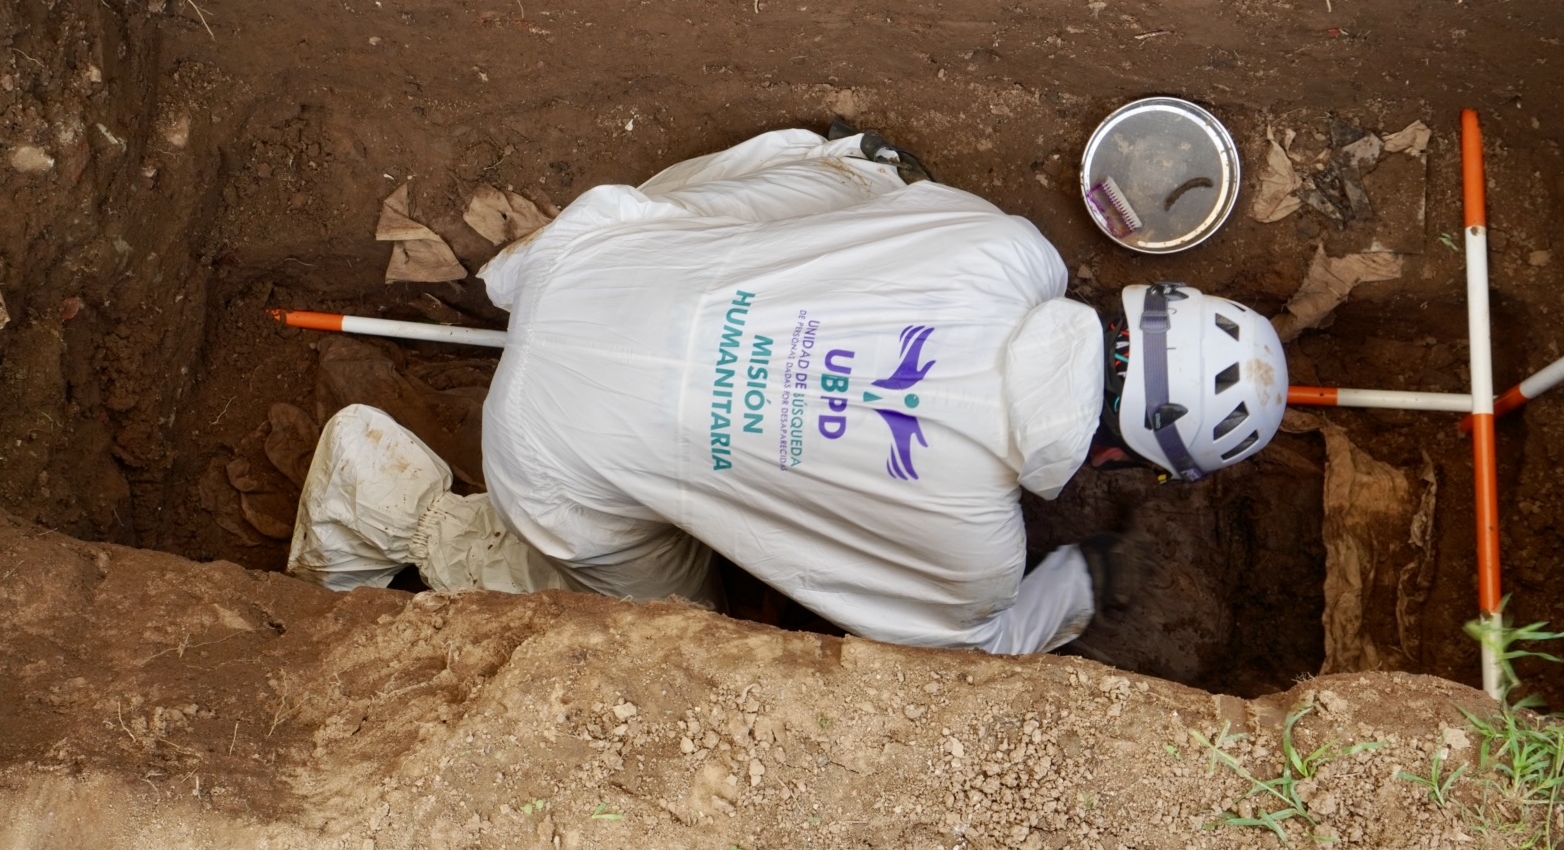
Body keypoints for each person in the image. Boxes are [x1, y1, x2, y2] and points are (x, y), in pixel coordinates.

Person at [463, 125, 1289, 655]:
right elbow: (969, 645)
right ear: (1114, 455)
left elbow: (893, 214)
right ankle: (448, 542)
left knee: (859, 187)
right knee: (686, 644)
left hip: (592, 258)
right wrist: (1078, 582)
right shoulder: (977, 553)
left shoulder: (1007, 251)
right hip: (544, 459)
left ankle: (844, 154)